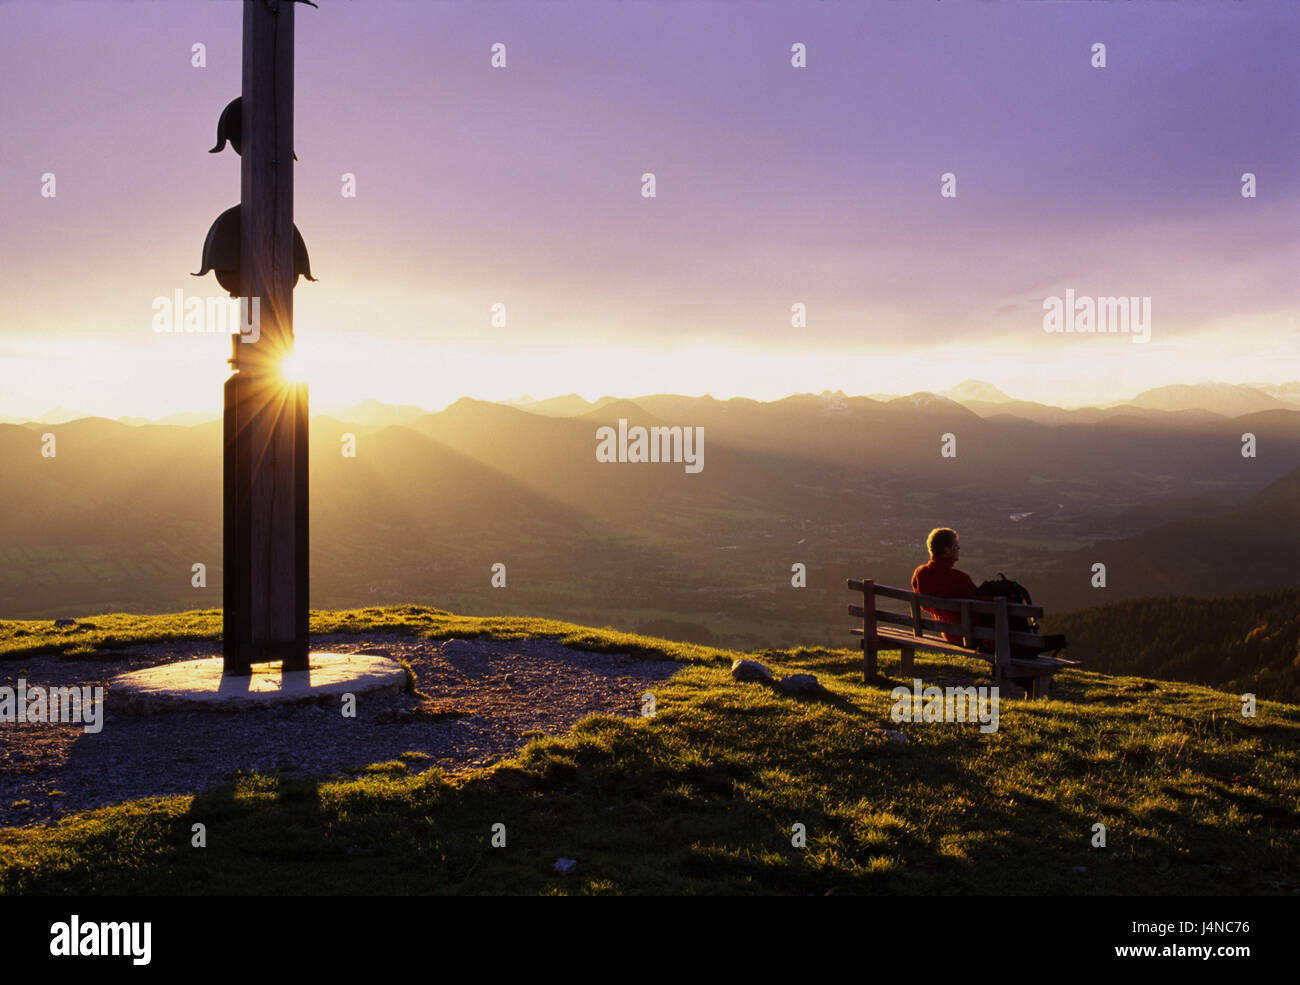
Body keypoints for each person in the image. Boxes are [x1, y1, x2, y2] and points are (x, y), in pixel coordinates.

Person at [910, 527, 984, 644]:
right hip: (968, 636)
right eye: (955, 546)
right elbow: (980, 608)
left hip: (948, 633)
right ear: (946, 550)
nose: (958, 548)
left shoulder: (920, 573)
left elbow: (924, 606)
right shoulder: (959, 578)